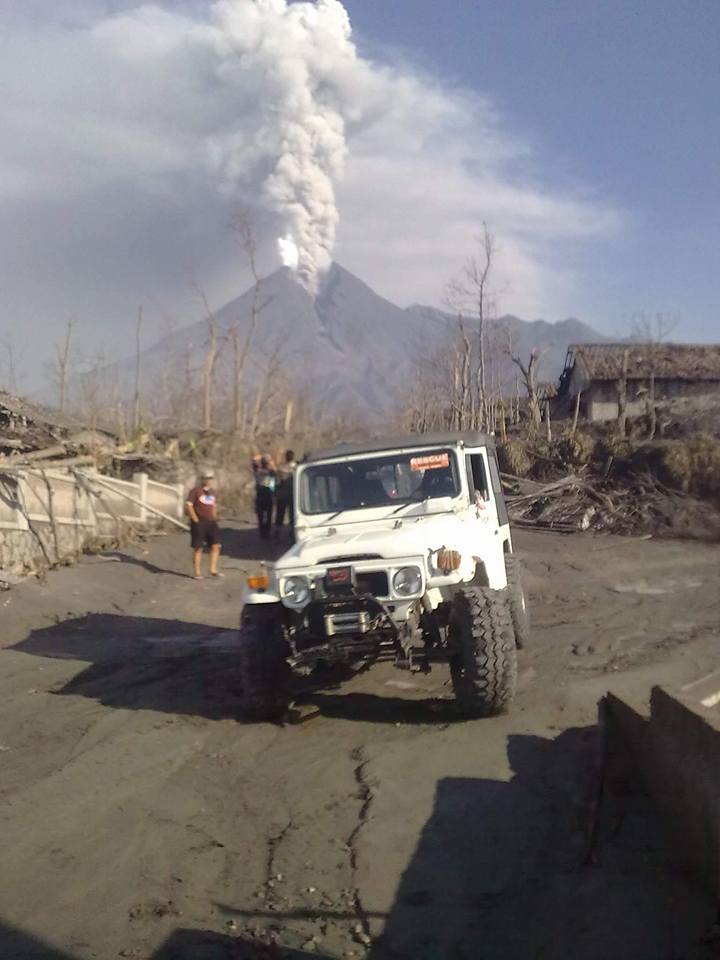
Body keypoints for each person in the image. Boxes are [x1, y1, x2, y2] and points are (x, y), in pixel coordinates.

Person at [185, 471, 222, 580]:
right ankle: (197, 572)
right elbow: (189, 505)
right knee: (199, 547)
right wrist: (195, 519)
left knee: (216, 546)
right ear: (202, 479)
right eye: (207, 478)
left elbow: (214, 506)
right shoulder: (195, 491)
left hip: (211, 522)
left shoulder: (213, 492)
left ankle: (213, 570)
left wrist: (215, 518)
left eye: (211, 478)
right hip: (199, 523)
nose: (209, 481)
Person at [252, 454, 277, 539]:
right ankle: (266, 533)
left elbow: (254, 460)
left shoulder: (258, 471)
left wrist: (261, 457)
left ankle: (263, 533)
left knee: (261, 516)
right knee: (267, 516)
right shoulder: (271, 472)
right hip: (267, 495)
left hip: (261, 495)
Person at [274, 448, 297, 538]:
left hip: (282, 495)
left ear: (286, 457)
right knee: (292, 515)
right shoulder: (296, 468)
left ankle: (277, 532)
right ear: (293, 457)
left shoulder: (281, 468)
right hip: (292, 495)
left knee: (280, 515)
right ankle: (292, 532)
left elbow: (276, 481)